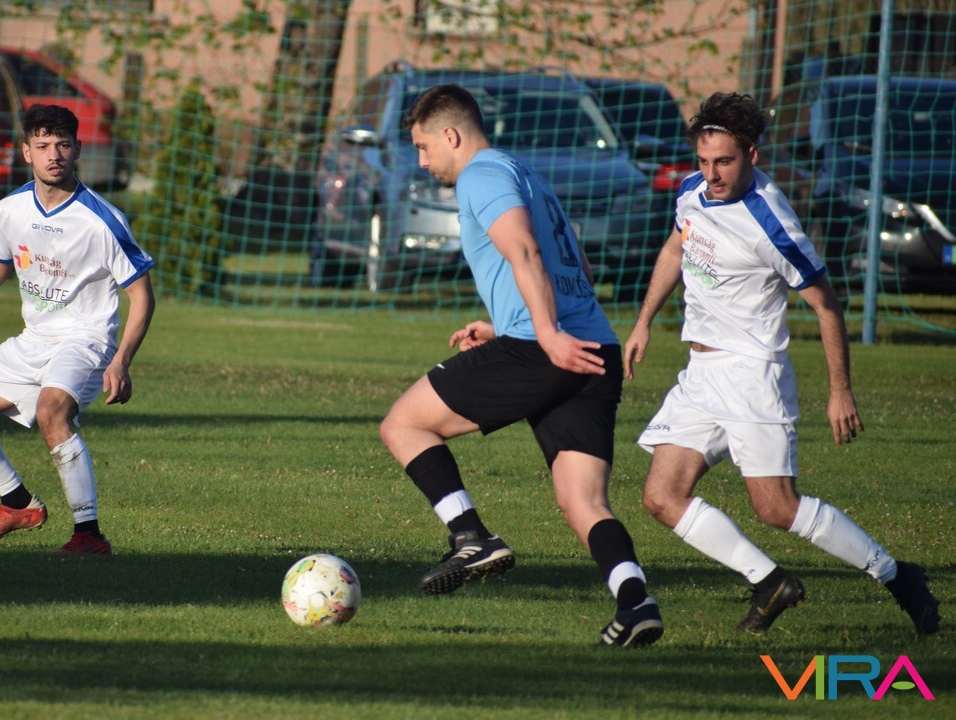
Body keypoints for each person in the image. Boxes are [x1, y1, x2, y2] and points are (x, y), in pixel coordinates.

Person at [623, 92, 940, 635]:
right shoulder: (691, 191)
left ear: (752, 155)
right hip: (701, 374)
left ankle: (896, 574)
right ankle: (769, 582)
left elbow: (827, 306)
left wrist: (839, 390)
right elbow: (676, 248)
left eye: (724, 162)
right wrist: (644, 321)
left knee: (776, 508)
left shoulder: (771, 221)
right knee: (661, 496)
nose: (712, 174)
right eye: (704, 161)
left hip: (753, 375)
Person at [379, 83, 663, 647]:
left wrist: (545, 334)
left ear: (450, 135)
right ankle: (636, 603)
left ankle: (471, 537)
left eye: (422, 147)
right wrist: (508, 323)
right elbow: (574, 262)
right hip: (594, 350)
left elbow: (526, 251)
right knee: (583, 501)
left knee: (403, 425)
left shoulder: (480, 176)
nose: (422, 161)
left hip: (546, 348)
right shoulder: (525, 172)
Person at [0, 104, 156, 556]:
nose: (54, 154)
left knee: (53, 413)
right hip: (33, 340)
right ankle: (17, 504)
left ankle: (88, 536)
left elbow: (142, 294)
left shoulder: (101, 220)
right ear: (26, 151)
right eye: (44, 145)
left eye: (63, 145)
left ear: (77, 150)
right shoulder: (10, 208)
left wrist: (121, 359)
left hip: (85, 340)